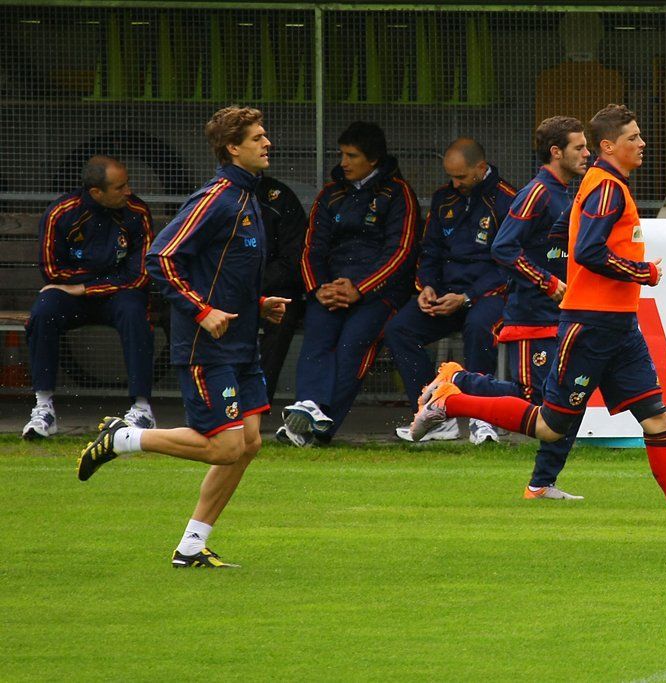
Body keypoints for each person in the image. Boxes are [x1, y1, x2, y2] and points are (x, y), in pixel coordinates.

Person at [409, 105, 666, 551]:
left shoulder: (598, 185)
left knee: (657, 418)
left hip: (619, 326)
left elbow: (565, 239)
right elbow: (587, 251)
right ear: (610, 146)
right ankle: (452, 400)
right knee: (550, 425)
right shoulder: (605, 189)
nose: (642, 143)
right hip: (591, 325)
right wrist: (640, 272)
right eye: (633, 137)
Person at [77, 106, 290, 569]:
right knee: (226, 446)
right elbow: (161, 258)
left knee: (248, 443)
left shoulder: (248, 195)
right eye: (257, 137)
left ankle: (192, 546)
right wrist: (203, 310)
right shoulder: (216, 198)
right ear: (232, 148)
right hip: (206, 344)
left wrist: (257, 304)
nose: (267, 143)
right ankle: (124, 438)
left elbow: (223, 270)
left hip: (240, 342)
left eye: (264, 135)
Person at [435, 116, 590, 498]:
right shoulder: (537, 192)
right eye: (579, 147)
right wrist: (548, 282)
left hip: (561, 314)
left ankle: (542, 483)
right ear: (556, 152)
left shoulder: (564, 193)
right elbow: (503, 248)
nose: (587, 153)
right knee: (539, 402)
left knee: (571, 399)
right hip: (532, 315)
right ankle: (457, 383)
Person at [277, 122, 419, 447]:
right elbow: (311, 248)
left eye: (351, 155)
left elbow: (401, 251)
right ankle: (308, 410)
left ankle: (318, 428)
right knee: (317, 336)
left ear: (374, 159)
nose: (343, 162)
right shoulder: (330, 194)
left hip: (379, 293)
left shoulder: (399, 194)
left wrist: (360, 288)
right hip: (331, 291)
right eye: (342, 154)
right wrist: (319, 289)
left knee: (352, 345)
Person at [386, 138, 515, 445]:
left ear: (480, 168)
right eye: (451, 177)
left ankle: (484, 418)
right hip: (446, 295)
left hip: (492, 294)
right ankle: (436, 415)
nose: (455, 183)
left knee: (479, 327)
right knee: (398, 329)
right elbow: (430, 250)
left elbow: (510, 264)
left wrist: (468, 297)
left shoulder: (508, 200)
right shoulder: (444, 198)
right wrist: (427, 287)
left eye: (461, 176)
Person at [23, 156, 155, 439]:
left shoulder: (137, 211)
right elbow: (52, 271)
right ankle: (44, 408)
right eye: (120, 187)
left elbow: (139, 276)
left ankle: (142, 409)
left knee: (135, 311)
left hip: (116, 297)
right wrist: (105, 276)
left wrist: (84, 286)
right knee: (44, 311)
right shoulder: (61, 213)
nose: (129, 191)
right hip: (74, 297)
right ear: (96, 192)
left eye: (127, 184)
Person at [256, 175, 308, 404]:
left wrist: (255, 286)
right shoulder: (219, 196)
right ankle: (222, 401)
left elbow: (292, 259)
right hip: (230, 289)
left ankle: (257, 403)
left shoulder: (279, 197)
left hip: (275, 287)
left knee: (280, 316)